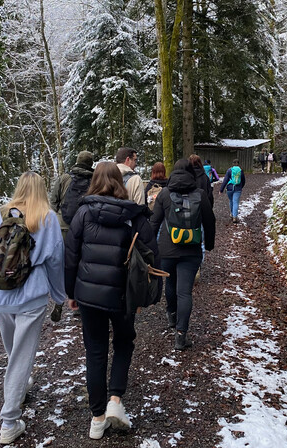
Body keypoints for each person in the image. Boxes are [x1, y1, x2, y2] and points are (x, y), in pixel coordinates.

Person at [64, 162, 158, 440]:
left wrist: (71, 293)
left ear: (94, 182)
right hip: (123, 295)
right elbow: (152, 256)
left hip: (89, 296)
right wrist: (143, 295)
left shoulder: (83, 213)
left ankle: (97, 419)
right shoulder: (134, 215)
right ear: (120, 182)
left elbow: (70, 257)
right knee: (124, 343)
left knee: (95, 351)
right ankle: (115, 400)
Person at [0, 172, 66, 445]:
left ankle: (20, 386)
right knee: (21, 356)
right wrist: (59, 294)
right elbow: (55, 261)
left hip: (2, 294)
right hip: (32, 297)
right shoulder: (47, 217)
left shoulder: (0, 214)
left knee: (14, 351)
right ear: (41, 189)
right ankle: (10, 422)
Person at [149, 159, 216, 350]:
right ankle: (181, 335)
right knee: (185, 291)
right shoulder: (200, 194)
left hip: (167, 249)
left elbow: (154, 222)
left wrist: (150, 248)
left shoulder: (164, 194)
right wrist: (209, 244)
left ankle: (171, 316)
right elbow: (210, 221)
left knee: (170, 283)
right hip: (191, 250)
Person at [50, 151, 94, 244]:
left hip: (63, 225)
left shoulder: (65, 178)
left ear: (77, 161)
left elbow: (53, 201)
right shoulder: (95, 180)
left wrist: (58, 216)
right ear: (91, 163)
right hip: (86, 227)